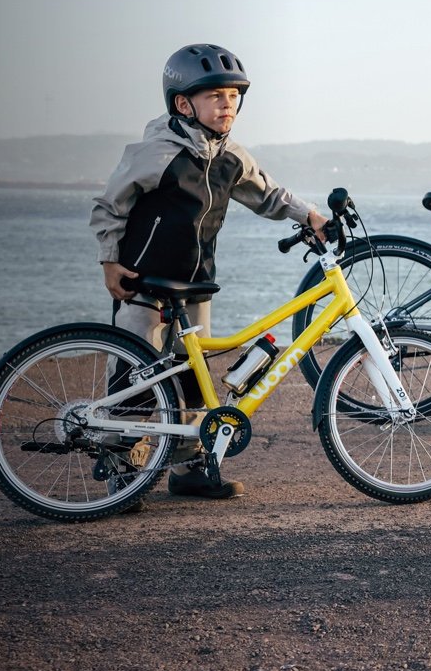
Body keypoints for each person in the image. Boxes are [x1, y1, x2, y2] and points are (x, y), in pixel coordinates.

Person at [92, 44, 327, 499]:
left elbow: (270, 195)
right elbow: (109, 206)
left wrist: (311, 215)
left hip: (195, 285)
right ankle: (121, 467)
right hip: (144, 282)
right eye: (216, 96)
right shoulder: (155, 153)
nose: (228, 105)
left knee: (192, 377)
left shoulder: (230, 156)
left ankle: (188, 468)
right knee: (134, 377)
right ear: (183, 104)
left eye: (234, 96)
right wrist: (108, 261)